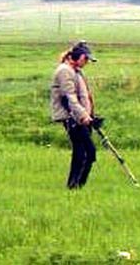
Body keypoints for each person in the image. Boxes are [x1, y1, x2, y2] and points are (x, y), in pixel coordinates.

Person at [51, 41, 98, 189]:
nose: (86, 63)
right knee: (87, 151)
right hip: (72, 118)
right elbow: (70, 97)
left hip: (81, 117)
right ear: (76, 57)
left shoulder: (76, 70)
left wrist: (90, 114)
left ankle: (75, 185)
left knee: (83, 151)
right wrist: (84, 116)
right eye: (85, 59)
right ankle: (75, 185)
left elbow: (84, 96)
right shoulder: (65, 71)